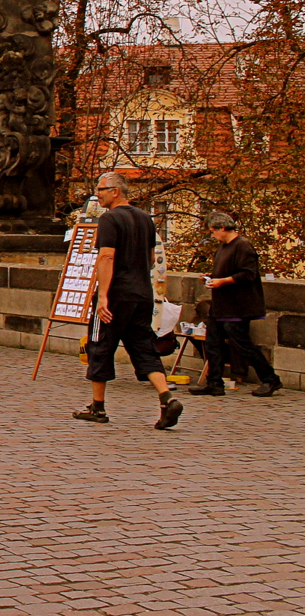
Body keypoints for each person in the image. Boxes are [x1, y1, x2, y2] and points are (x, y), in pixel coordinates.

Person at [74, 172, 184, 429]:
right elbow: (149, 256)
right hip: (142, 294)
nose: (97, 194)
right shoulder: (146, 218)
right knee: (144, 347)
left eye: (101, 189)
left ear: (116, 191)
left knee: (100, 346)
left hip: (116, 294)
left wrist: (102, 296)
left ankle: (97, 407)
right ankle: (167, 398)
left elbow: (107, 257)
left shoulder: (110, 219)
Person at [190, 213, 283, 397]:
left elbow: (248, 274)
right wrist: (211, 277)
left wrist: (222, 281)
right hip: (220, 304)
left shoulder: (243, 246)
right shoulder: (223, 247)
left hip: (238, 305)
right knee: (212, 343)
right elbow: (225, 270)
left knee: (242, 344)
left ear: (222, 228)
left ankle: (270, 378)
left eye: (213, 232)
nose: (212, 236)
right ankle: (214, 382)